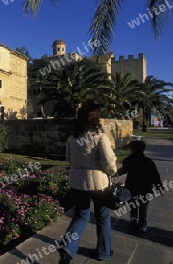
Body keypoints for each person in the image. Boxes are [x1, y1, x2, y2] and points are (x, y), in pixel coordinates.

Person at [59, 104, 117, 264]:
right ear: (96, 118)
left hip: (77, 183)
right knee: (103, 218)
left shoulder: (72, 137)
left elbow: (68, 159)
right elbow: (109, 163)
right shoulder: (100, 137)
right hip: (99, 185)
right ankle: (103, 252)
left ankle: (67, 248)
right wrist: (113, 172)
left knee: (80, 216)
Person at [117, 140, 162, 232]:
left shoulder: (128, 160)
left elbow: (123, 171)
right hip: (146, 188)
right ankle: (143, 225)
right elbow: (155, 175)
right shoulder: (149, 162)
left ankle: (133, 219)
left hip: (131, 188)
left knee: (132, 204)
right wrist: (159, 186)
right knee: (143, 207)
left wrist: (113, 174)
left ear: (133, 150)